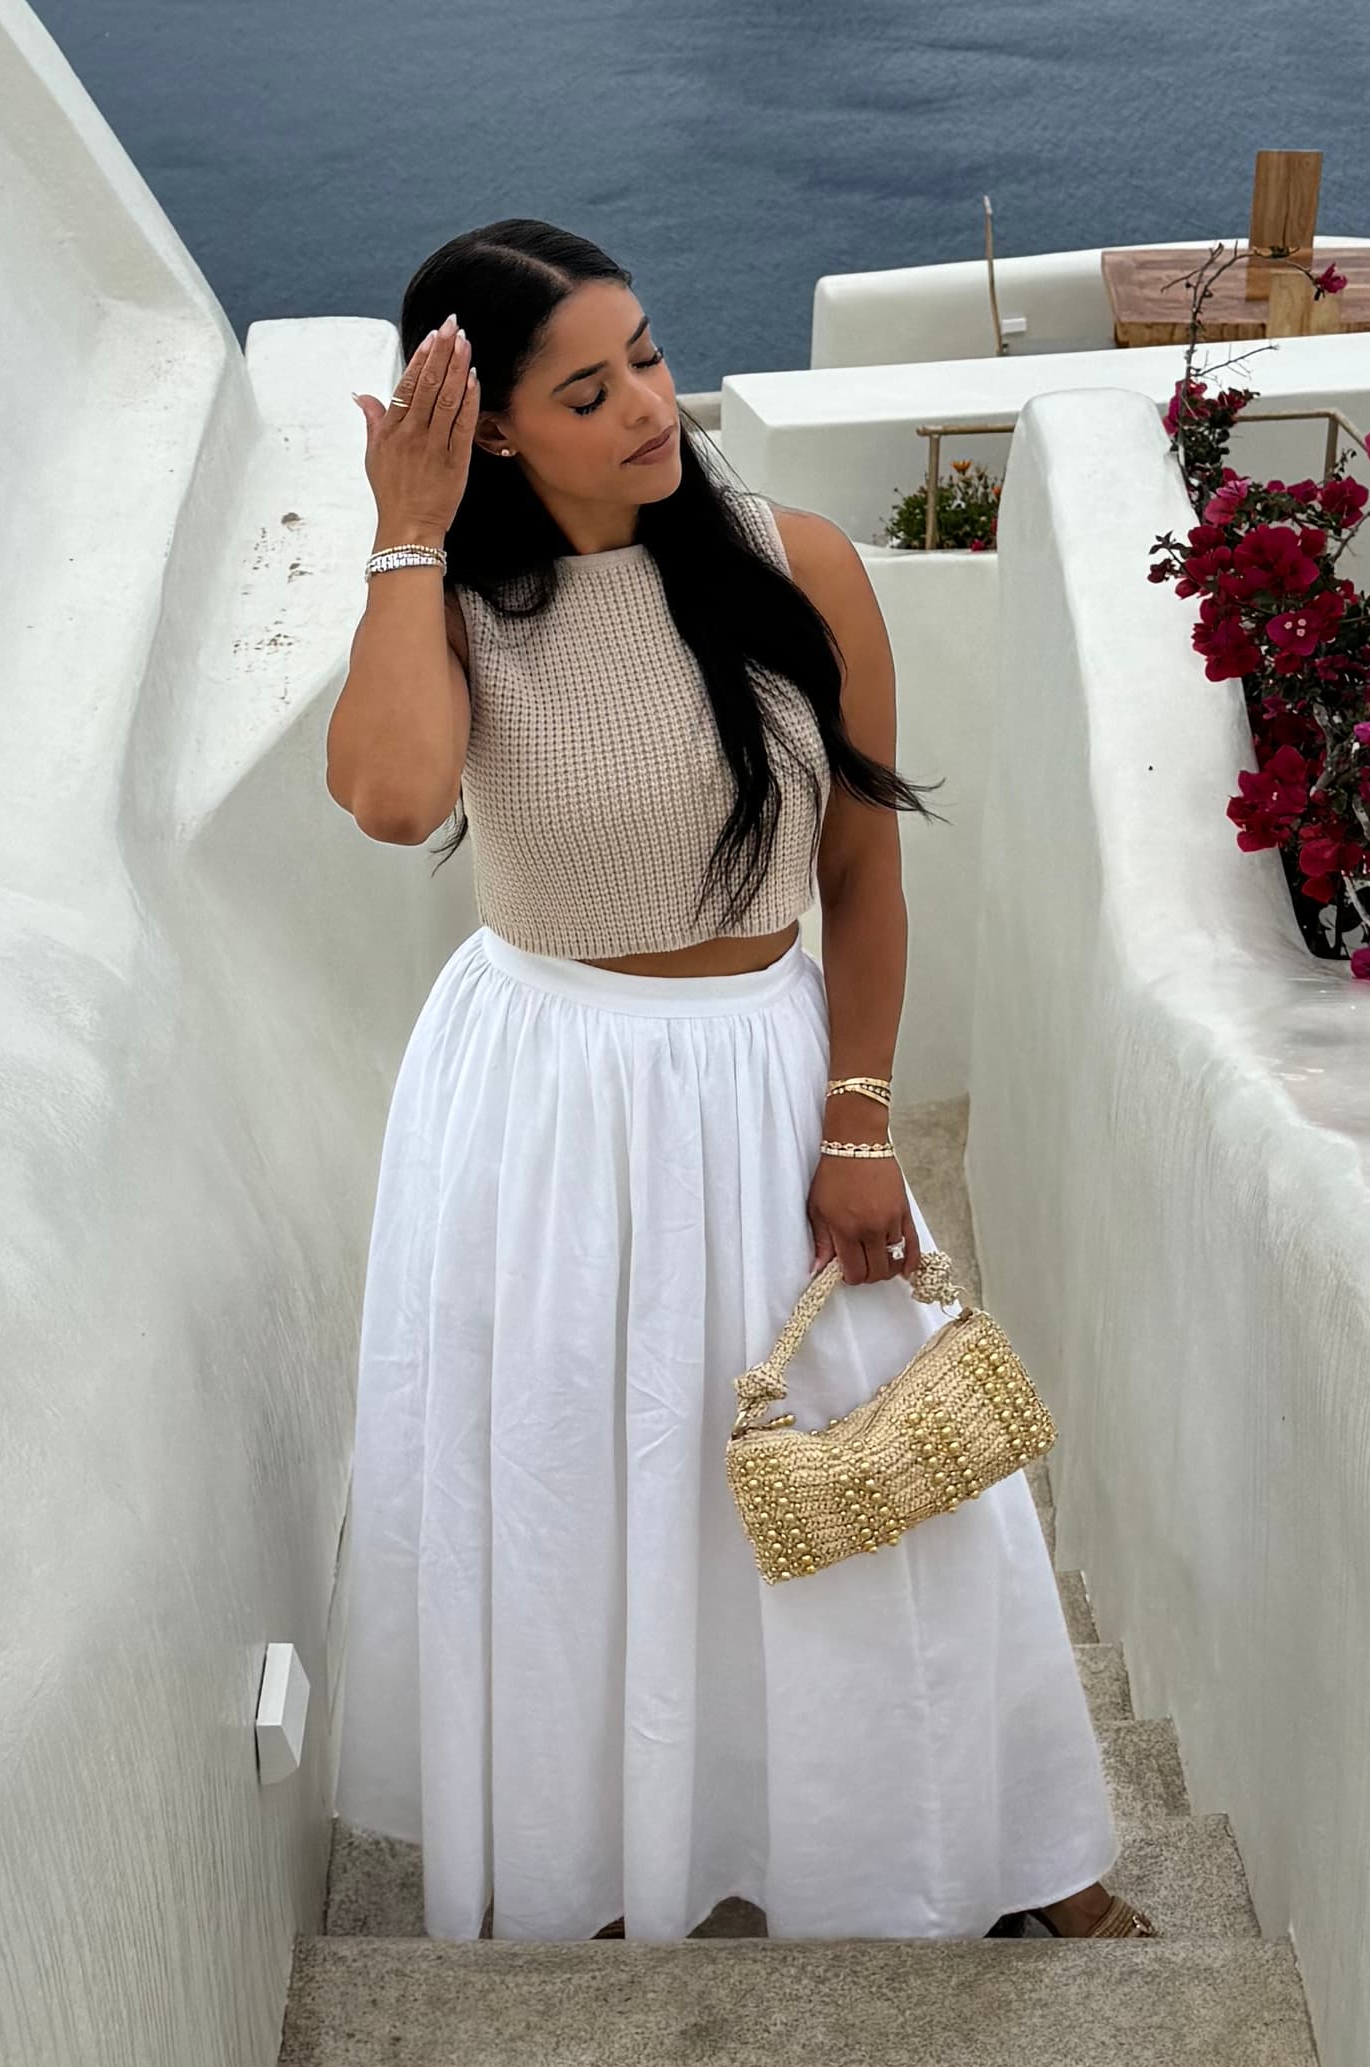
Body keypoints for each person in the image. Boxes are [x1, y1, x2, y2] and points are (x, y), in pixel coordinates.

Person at [323, 216, 1136, 1947]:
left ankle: (1017, 1859)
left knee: (886, 1465)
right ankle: (613, 1866)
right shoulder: (454, 606)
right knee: (581, 1489)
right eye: (587, 386)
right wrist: (406, 532)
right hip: (544, 1098)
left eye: (651, 357)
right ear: (496, 429)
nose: (648, 408)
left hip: (765, 1079)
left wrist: (861, 1119)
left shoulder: (797, 563)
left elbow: (861, 872)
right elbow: (393, 801)